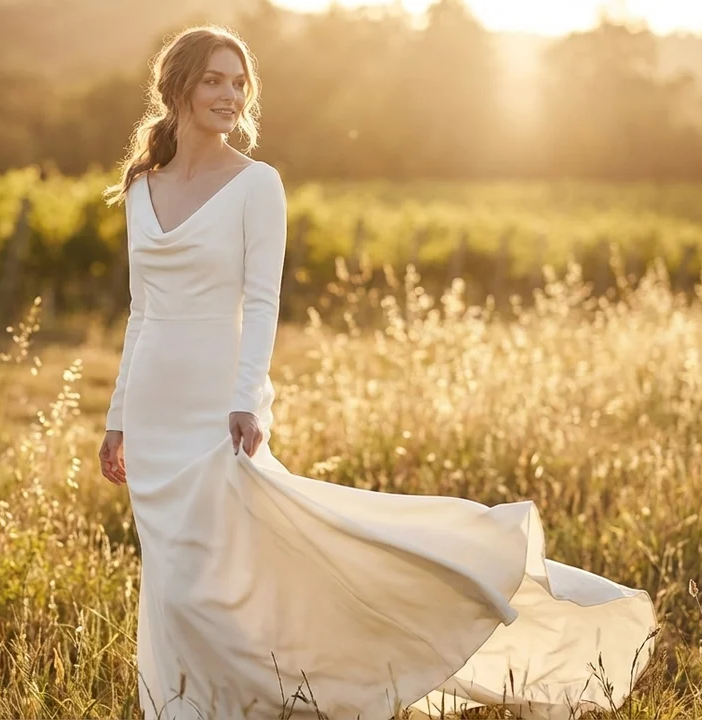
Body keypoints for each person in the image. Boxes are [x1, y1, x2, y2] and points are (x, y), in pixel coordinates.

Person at [97, 24, 656, 720]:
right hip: (153, 414)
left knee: (213, 579)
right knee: (173, 579)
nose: (230, 95)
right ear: (177, 86)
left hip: (216, 410)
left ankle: (293, 688)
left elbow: (263, 302)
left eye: (239, 83)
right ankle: (188, 705)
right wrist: (118, 416)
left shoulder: (256, 185)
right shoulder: (141, 188)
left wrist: (246, 399)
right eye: (214, 80)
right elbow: (141, 311)